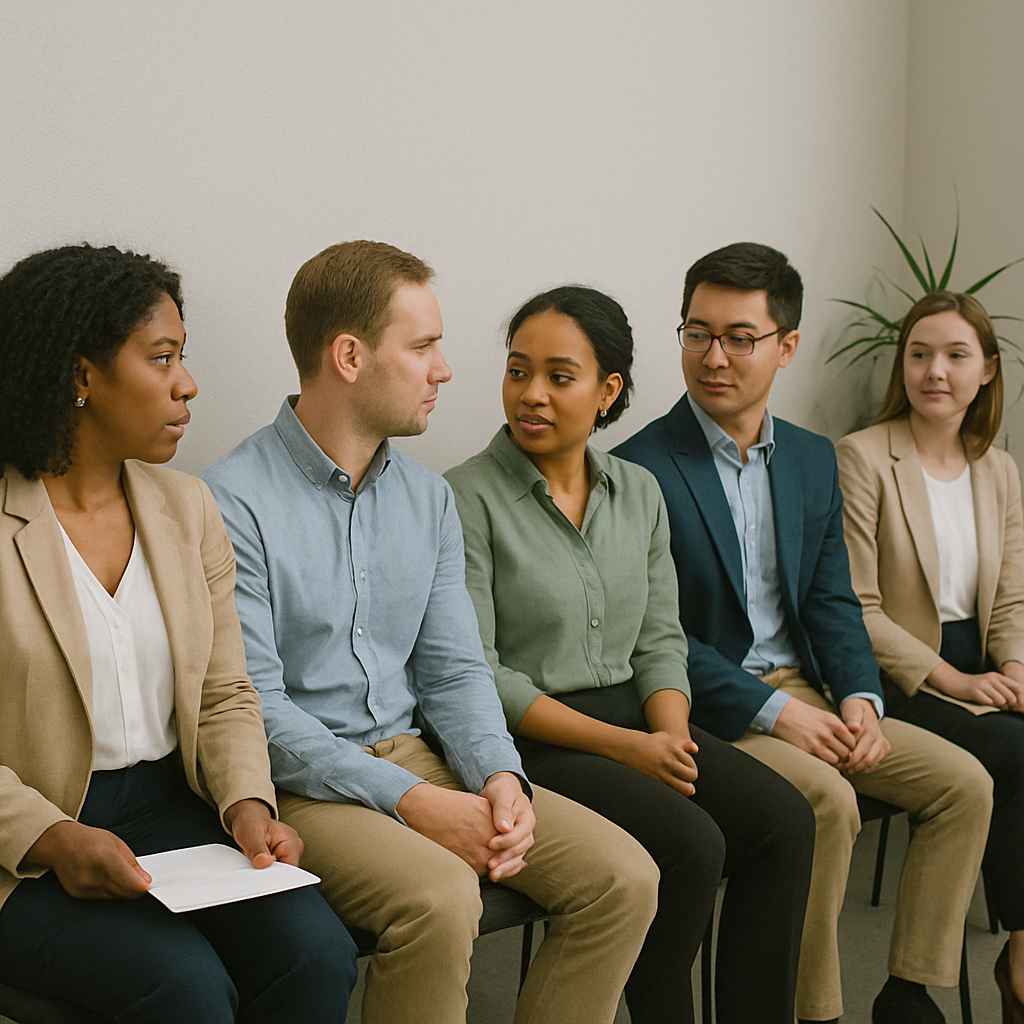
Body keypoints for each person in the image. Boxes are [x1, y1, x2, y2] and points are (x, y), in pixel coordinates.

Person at [203, 241, 660, 1024]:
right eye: (422, 347)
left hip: (421, 757)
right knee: (445, 898)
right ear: (349, 356)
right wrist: (414, 801)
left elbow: (454, 674)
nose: (445, 370)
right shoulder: (228, 501)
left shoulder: (427, 500)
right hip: (304, 784)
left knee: (624, 878)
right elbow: (255, 708)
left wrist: (499, 780)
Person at [614, 242, 994, 1024]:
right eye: (697, 333)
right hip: (713, 702)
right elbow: (654, 639)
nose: (713, 357)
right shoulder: (640, 467)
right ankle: (810, 1010)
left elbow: (832, 602)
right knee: (827, 800)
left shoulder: (813, 459)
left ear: (785, 346)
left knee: (966, 784)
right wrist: (777, 712)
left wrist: (859, 694)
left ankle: (910, 992)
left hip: (815, 691)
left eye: (739, 337)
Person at [0, 244, 357, 1023]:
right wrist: (54, 836)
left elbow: (226, 690)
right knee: (185, 991)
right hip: (22, 843)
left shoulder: (187, 508)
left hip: (171, 812)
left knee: (318, 954)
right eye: (161, 358)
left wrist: (247, 807)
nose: (188, 384)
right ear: (80, 375)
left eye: (182, 358)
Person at [444, 285, 815, 1024]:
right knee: (692, 844)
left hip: (638, 719)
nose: (531, 395)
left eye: (559, 375)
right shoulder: (463, 497)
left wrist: (670, 731)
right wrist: (631, 748)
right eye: (518, 371)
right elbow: (482, 675)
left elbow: (659, 638)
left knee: (785, 820)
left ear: (607, 390)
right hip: (534, 737)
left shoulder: (638, 492)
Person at [837, 290, 1024, 1023]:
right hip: (896, 673)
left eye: (954, 356)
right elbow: (859, 607)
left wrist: (1011, 671)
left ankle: (1016, 953)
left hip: (979, 662)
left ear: (986, 372)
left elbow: (1009, 598)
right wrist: (957, 679)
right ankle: (1016, 963)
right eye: (919, 354)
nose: (934, 372)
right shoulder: (862, 456)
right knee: (1014, 753)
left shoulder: (999, 469)